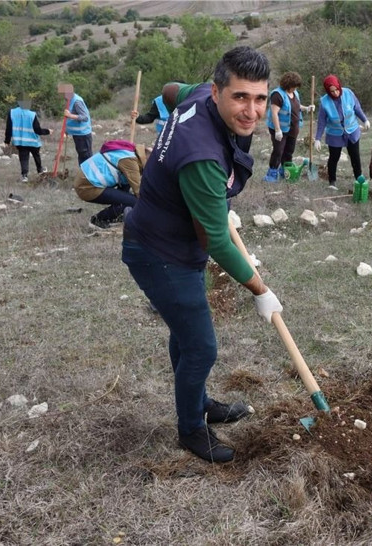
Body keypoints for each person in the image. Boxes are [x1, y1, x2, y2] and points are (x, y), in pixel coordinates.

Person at [121, 46, 284, 463]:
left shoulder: (194, 95)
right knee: (201, 347)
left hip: (173, 241)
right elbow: (215, 239)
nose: (251, 111)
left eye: (260, 98)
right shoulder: (202, 157)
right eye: (240, 97)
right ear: (217, 92)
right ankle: (192, 429)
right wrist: (259, 289)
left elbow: (170, 89)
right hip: (159, 252)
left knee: (186, 331)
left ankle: (198, 403)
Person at [74, 140, 150, 229]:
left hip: (86, 180)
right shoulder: (130, 161)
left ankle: (118, 214)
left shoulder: (131, 151)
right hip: (87, 187)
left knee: (127, 192)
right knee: (134, 202)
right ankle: (97, 220)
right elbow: (139, 192)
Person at [314, 74, 369, 190]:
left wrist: (365, 120)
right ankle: (332, 182)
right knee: (334, 157)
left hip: (352, 130)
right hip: (335, 134)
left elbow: (357, 108)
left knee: (355, 156)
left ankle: (359, 179)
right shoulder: (324, 102)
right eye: (332, 91)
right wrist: (317, 138)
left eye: (336, 90)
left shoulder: (348, 93)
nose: (335, 93)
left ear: (339, 86)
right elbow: (322, 122)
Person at [4, 99, 51, 182]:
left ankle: (24, 176)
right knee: (36, 155)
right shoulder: (31, 114)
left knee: (23, 158)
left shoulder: (12, 113)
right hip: (33, 141)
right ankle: (40, 170)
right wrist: (48, 131)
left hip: (20, 141)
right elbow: (37, 130)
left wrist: (7, 140)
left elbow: (9, 128)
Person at [60, 84, 93, 165]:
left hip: (83, 135)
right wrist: (67, 130)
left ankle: (89, 175)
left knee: (86, 157)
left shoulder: (77, 102)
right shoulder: (70, 100)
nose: (62, 96)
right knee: (81, 155)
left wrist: (70, 115)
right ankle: (82, 174)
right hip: (77, 134)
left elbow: (85, 117)